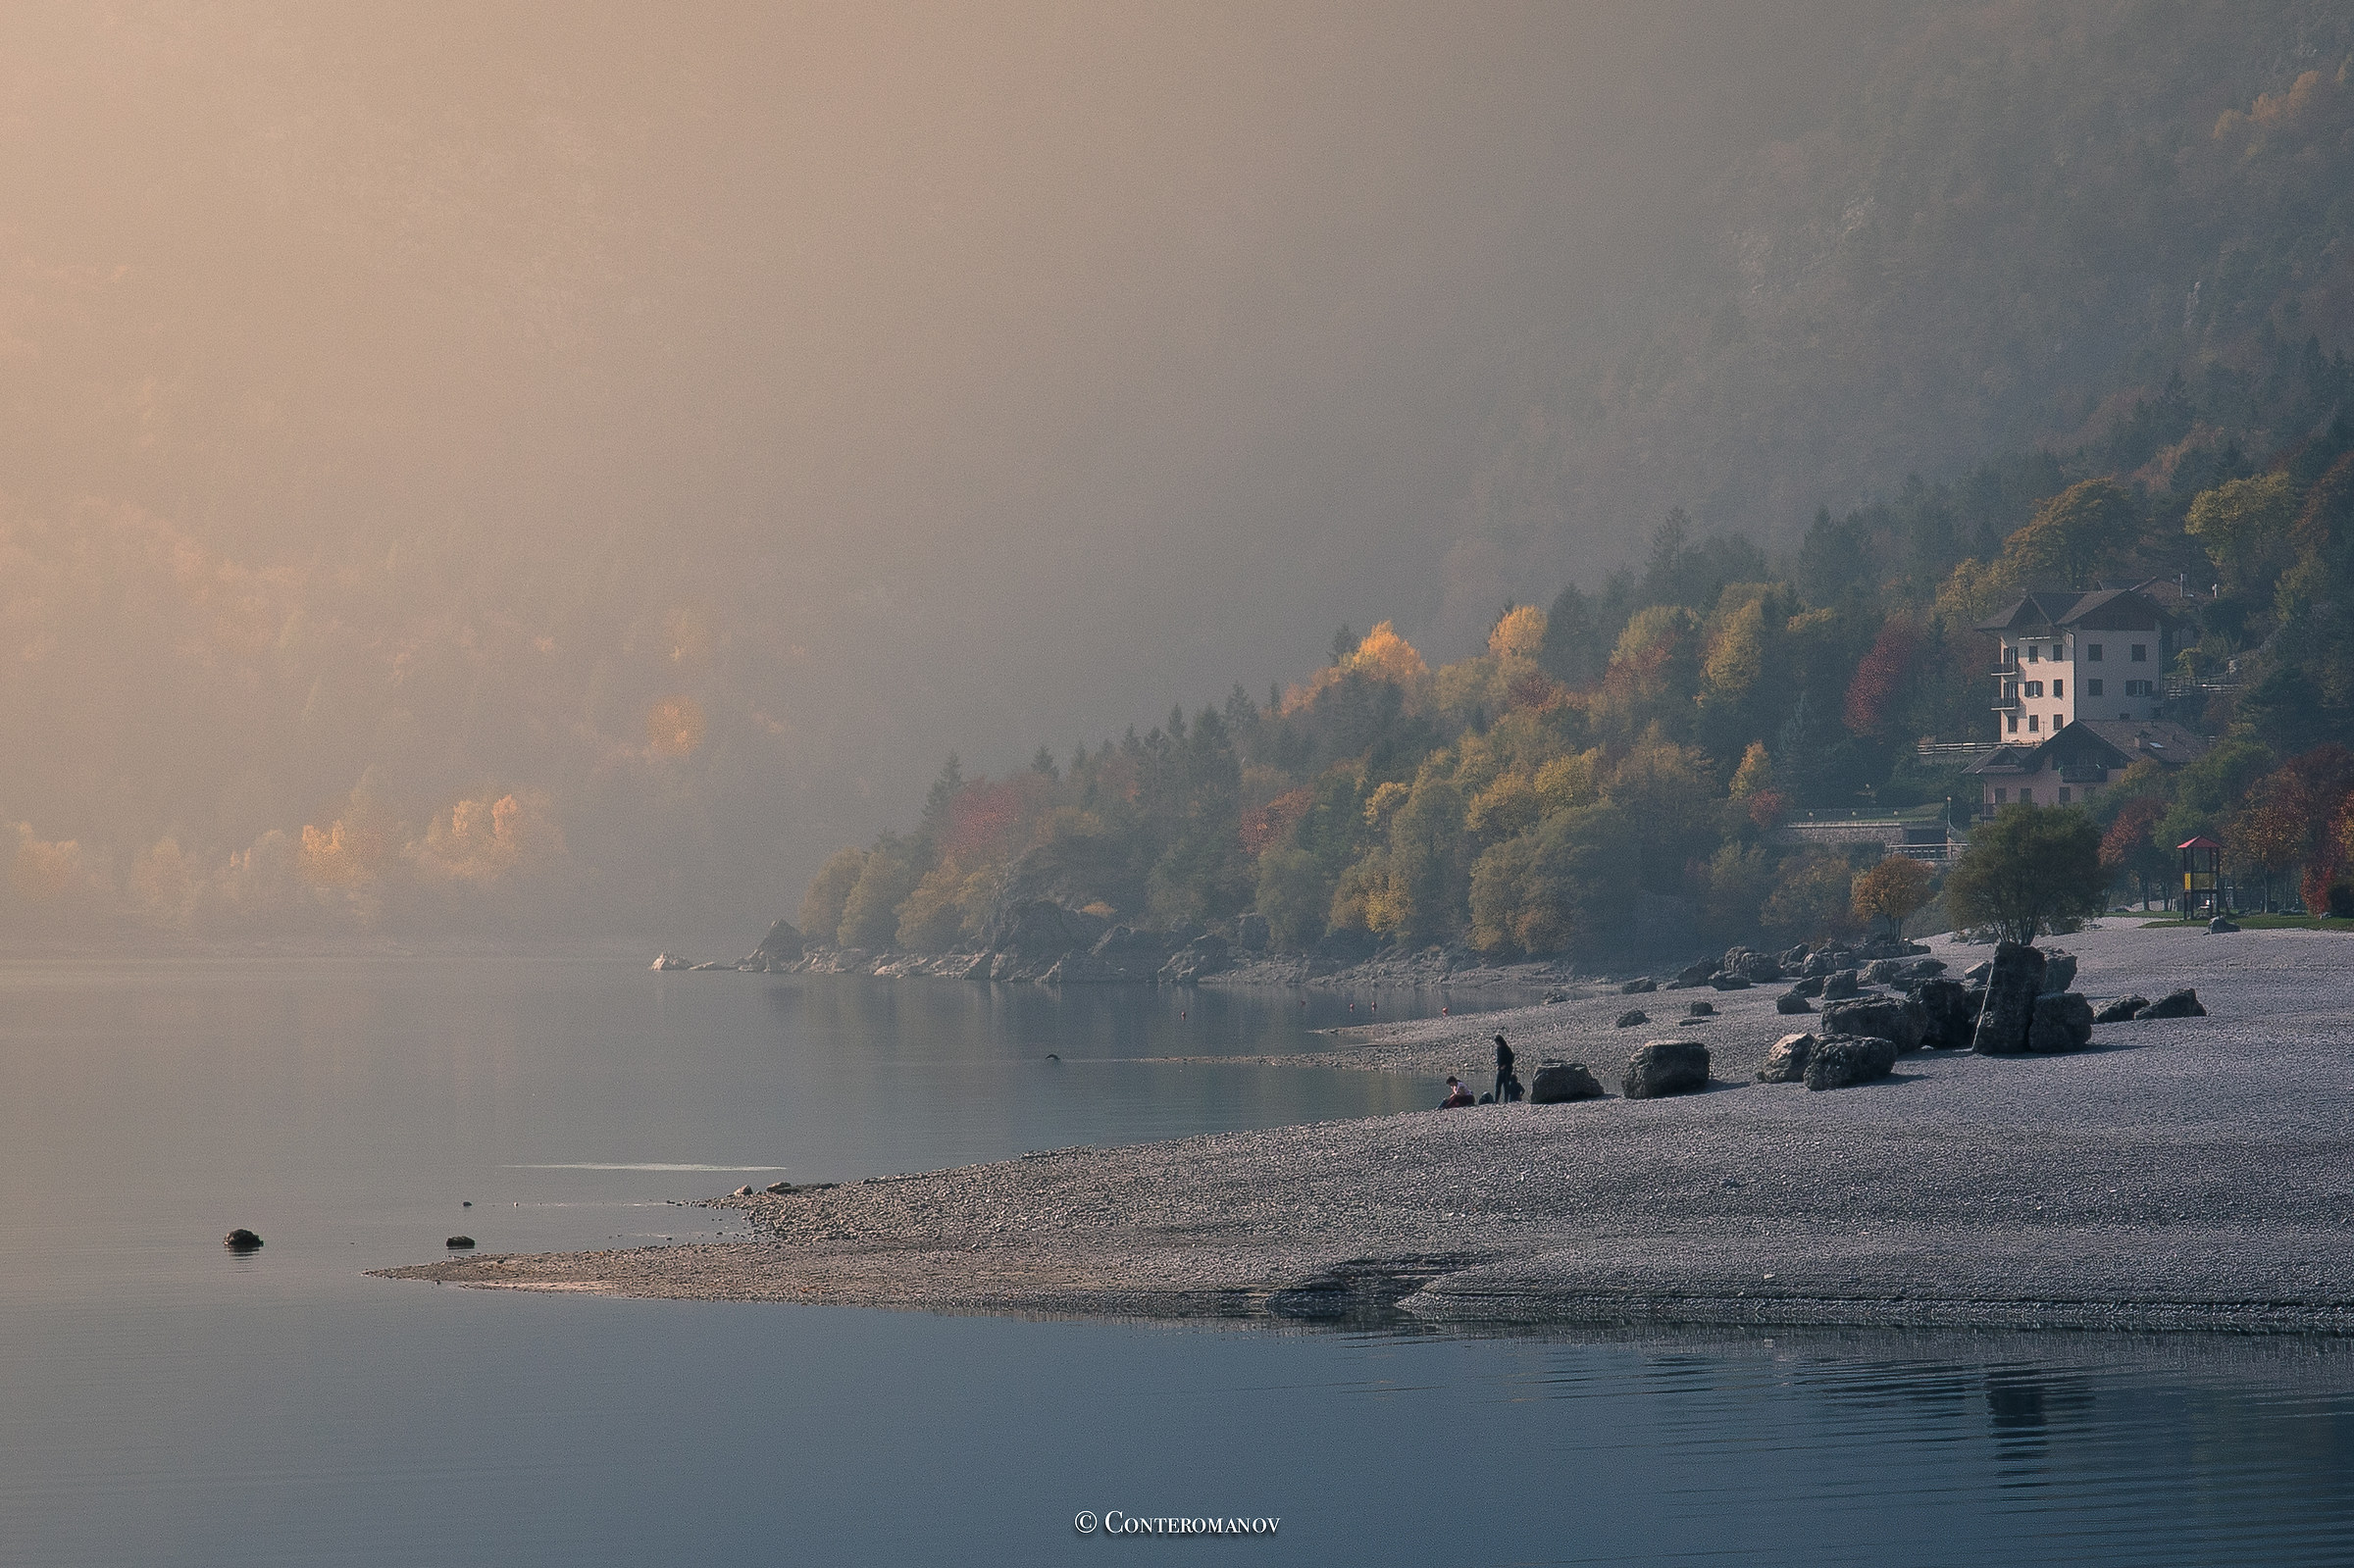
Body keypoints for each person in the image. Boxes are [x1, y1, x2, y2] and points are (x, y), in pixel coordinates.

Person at [1493, 1034, 1514, 1104]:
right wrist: (1499, 1066)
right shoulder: (1499, 1049)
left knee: (1506, 1084)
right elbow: (1499, 1059)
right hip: (1500, 1069)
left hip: (1507, 1069)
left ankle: (1506, 1100)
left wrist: (1505, 1065)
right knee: (1498, 1085)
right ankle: (1496, 1100)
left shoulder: (1506, 1048)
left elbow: (1511, 1058)